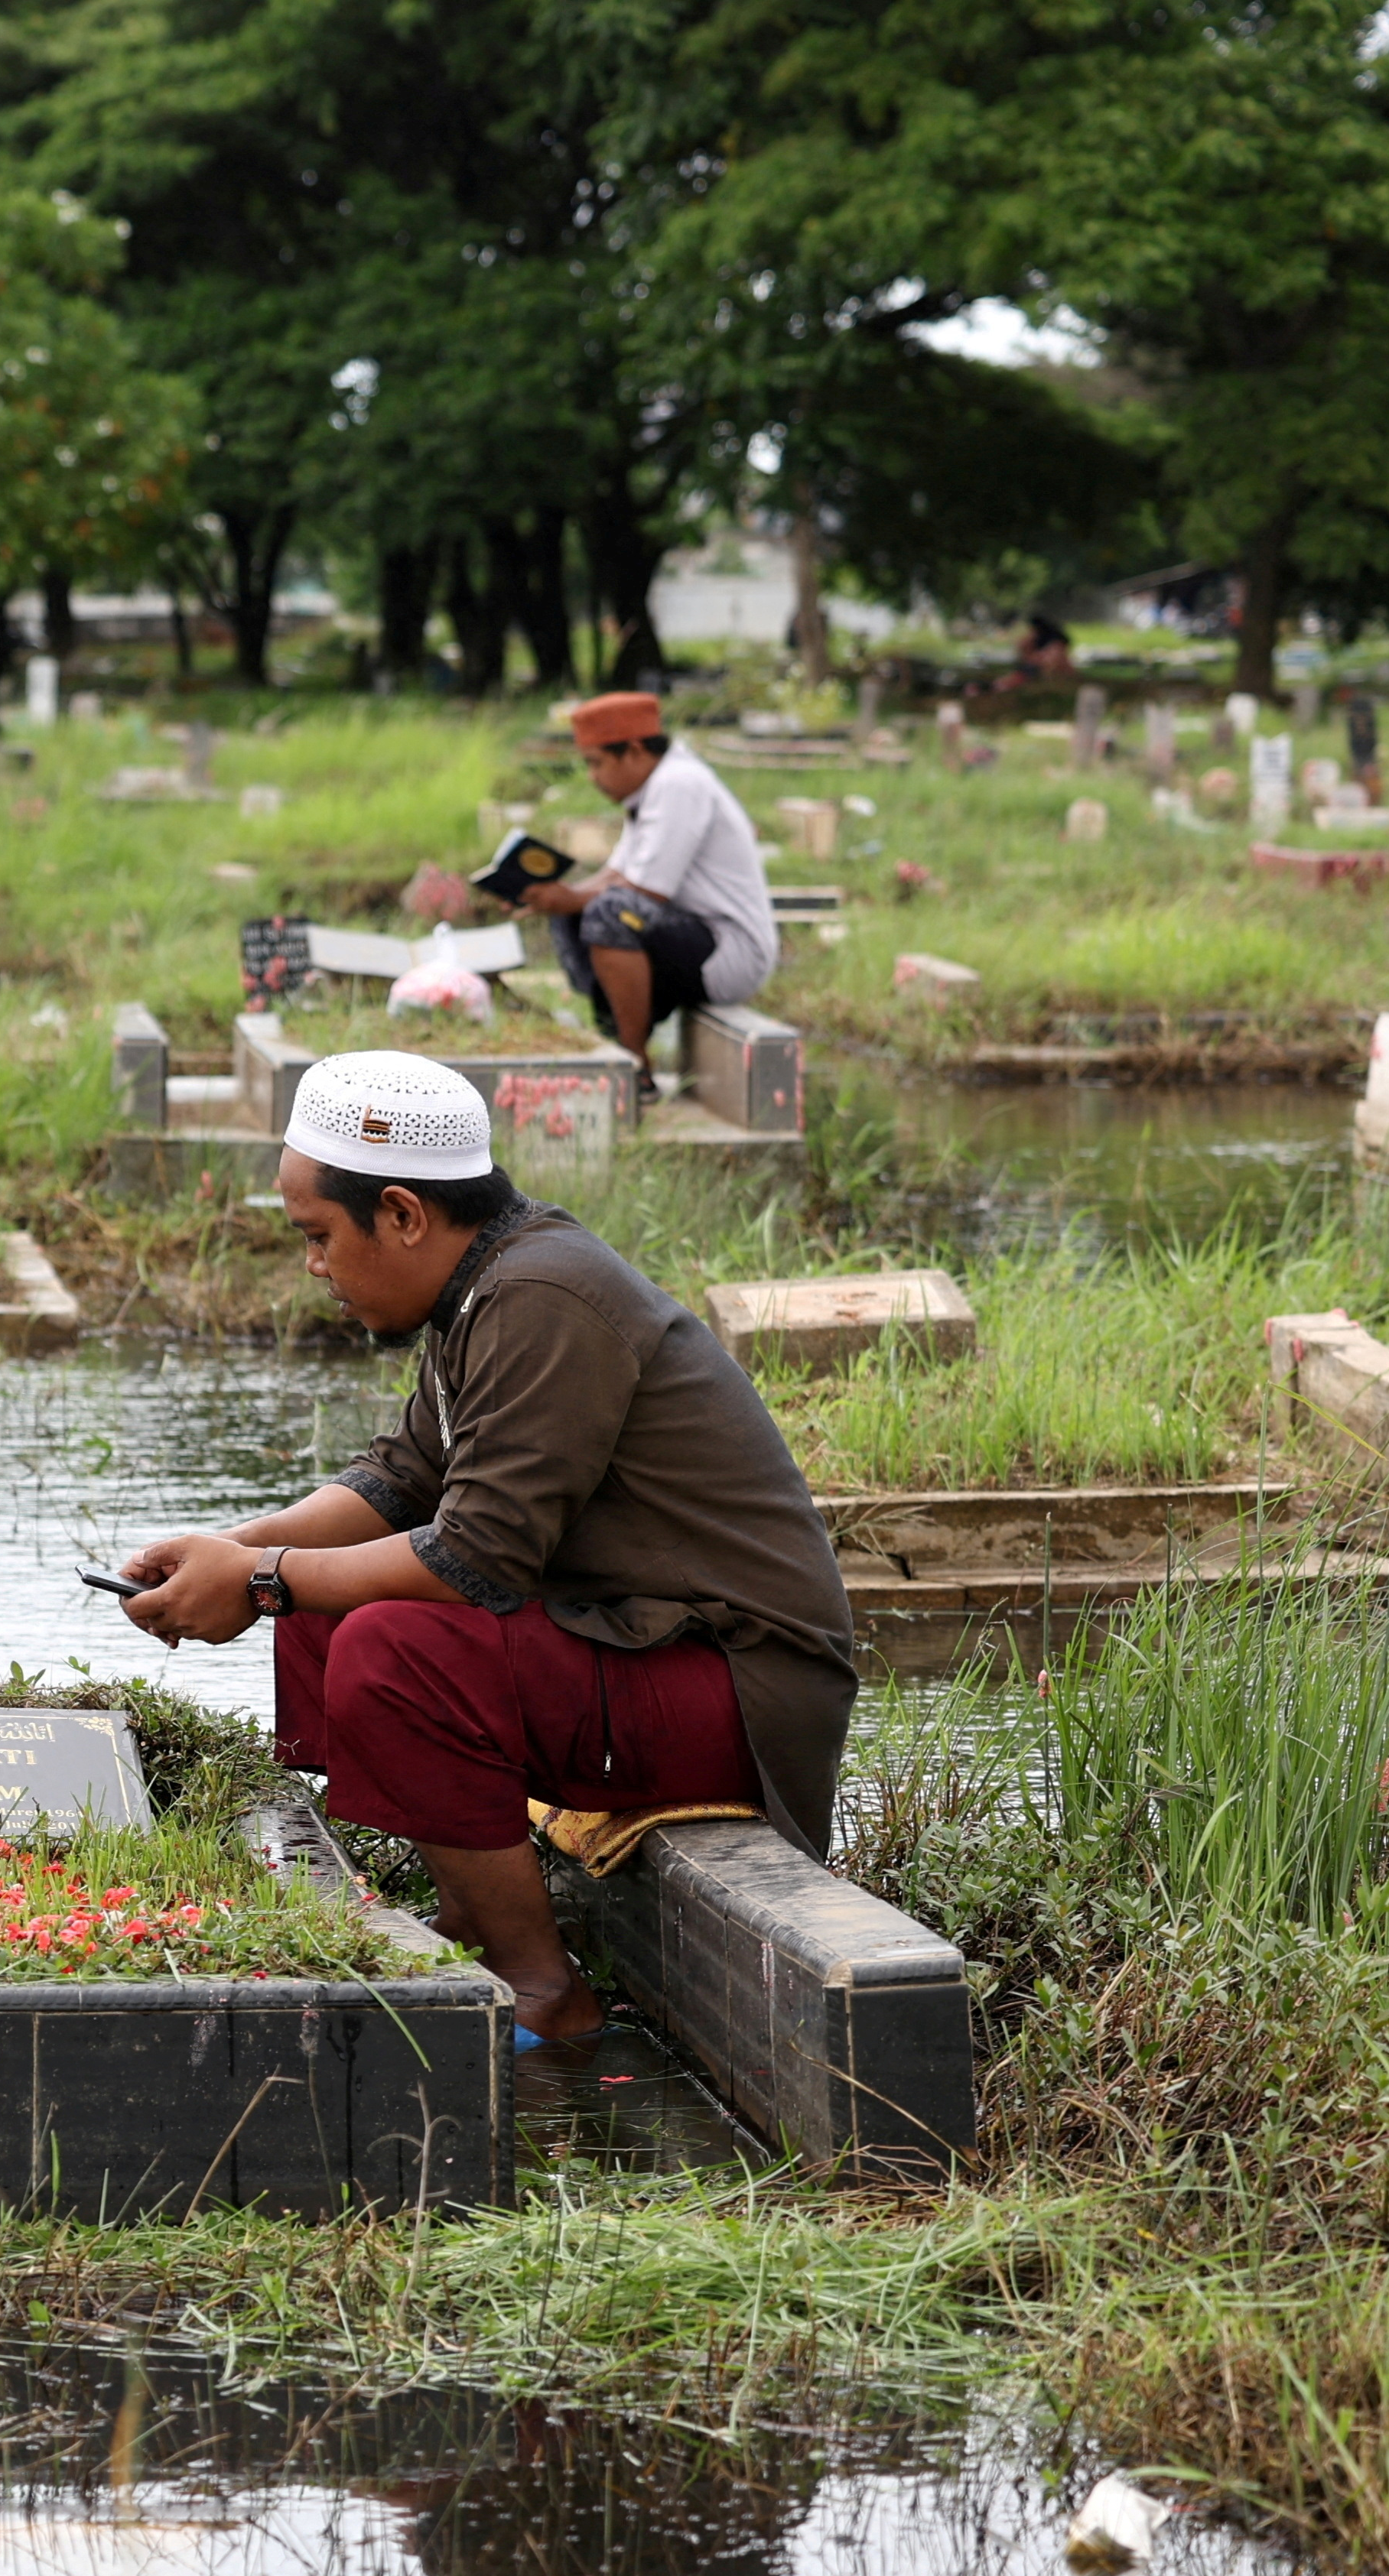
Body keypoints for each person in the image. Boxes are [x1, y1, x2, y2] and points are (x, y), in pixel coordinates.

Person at [109, 1049, 858, 2048]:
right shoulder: (483, 1286)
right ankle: (466, 1905)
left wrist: (258, 1580)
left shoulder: (543, 1296)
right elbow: (398, 1482)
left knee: (389, 1649)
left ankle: (542, 1988)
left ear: (404, 1214)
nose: (314, 1265)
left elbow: (479, 1560)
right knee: (327, 1618)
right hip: (633, 1648)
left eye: (320, 1236)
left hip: (735, 1685)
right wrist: (232, 1547)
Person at [511, 690, 775, 1090]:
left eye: (596, 763)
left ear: (633, 751)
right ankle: (614, 1032)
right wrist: (555, 898)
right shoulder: (653, 790)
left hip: (729, 950)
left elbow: (646, 891)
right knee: (581, 911)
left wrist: (572, 897)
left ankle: (634, 1064)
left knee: (611, 913)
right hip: (689, 938)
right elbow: (615, 875)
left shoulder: (678, 784)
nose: (592, 777)